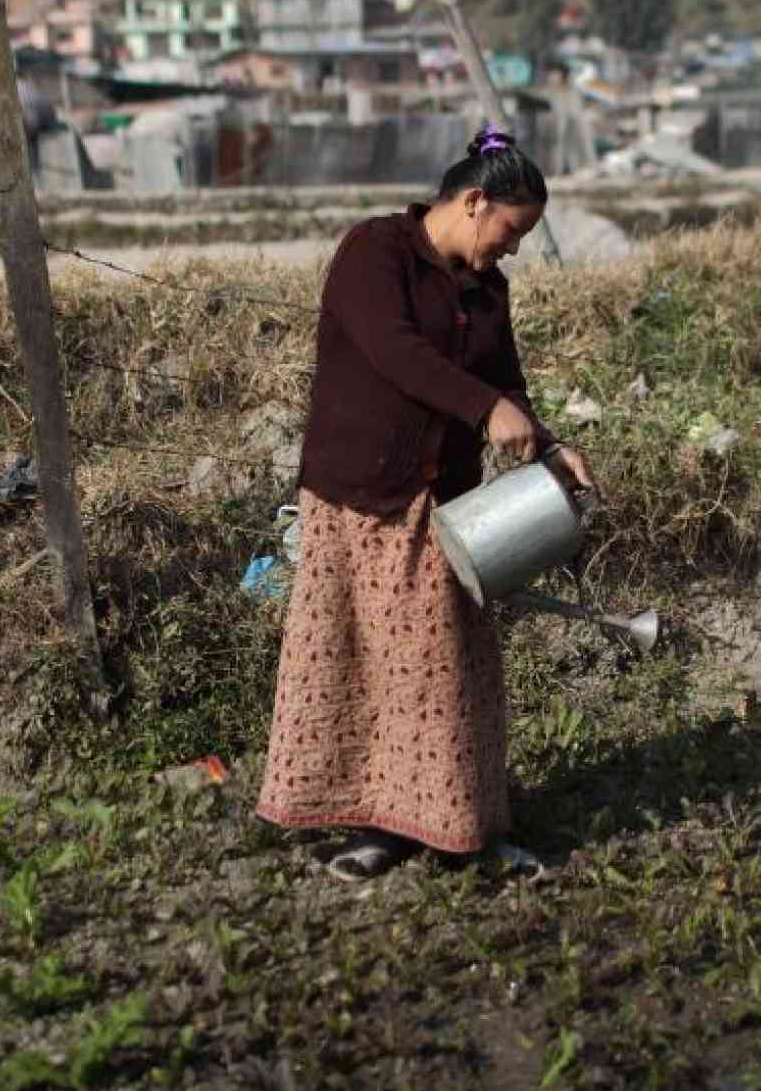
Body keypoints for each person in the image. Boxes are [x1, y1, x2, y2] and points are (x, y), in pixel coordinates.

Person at [255, 122, 595, 882]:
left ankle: (462, 825)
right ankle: (380, 827)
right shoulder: (375, 254)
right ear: (474, 202)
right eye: (511, 232)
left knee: (445, 669)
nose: (512, 250)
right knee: (367, 664)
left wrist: (543, 444)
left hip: (443, 502)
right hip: (361, 496)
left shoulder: (487, 289)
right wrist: (485, 410)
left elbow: (506, 387)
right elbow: (395, 351)